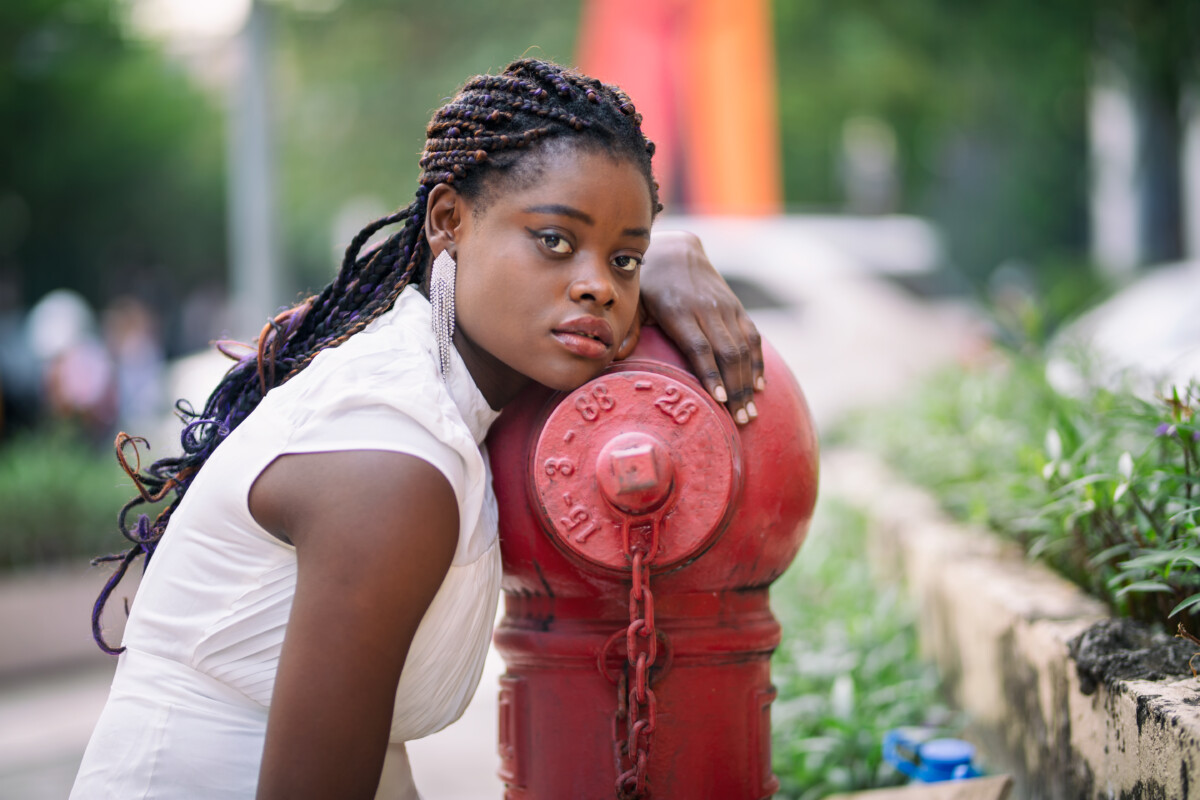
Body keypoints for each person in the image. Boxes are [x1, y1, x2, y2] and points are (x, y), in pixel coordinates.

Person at [71, 58, 763, 799]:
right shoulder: (392, 459)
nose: (598, 283)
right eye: (555, 241)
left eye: (625, 259)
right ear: (447, 221)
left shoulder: (441, 392)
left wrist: (663, 256)